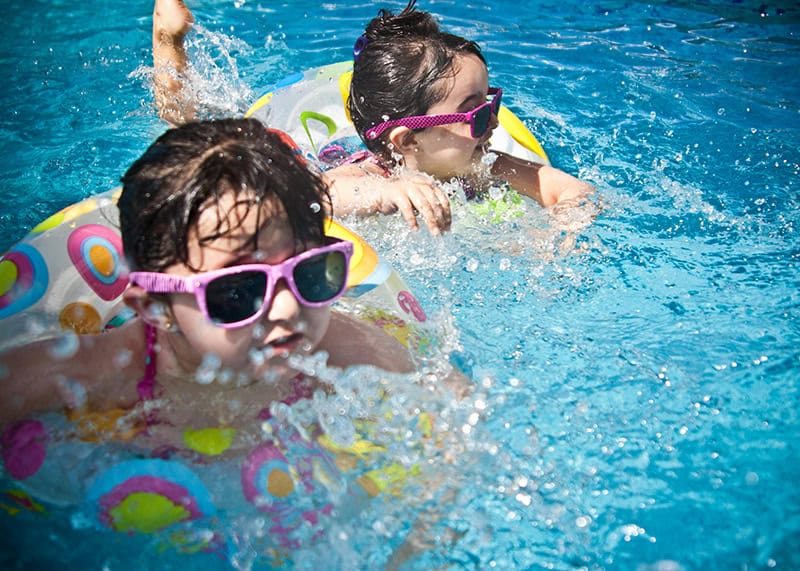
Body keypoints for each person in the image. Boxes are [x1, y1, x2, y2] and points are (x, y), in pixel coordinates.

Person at [0, 118, 416, 445]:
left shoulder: (352, 354)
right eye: (239, 290)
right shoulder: (92, 376)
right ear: (154, 307)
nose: (288, 308)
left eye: (309, 273)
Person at [150, 0, 593, 236]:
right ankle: (168, 41)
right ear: (407, 142)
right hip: (318, 156)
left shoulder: (487, 165)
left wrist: (560, 231)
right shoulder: (371, 172)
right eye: (473, 115)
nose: (492, 124)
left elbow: (569, 189)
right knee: (195, 141)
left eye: (491, 104)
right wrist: (384, 192)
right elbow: (314, 197)